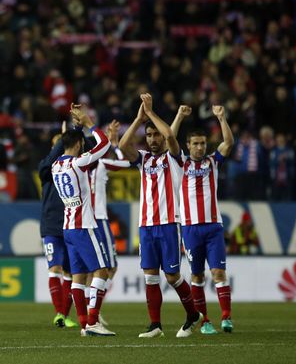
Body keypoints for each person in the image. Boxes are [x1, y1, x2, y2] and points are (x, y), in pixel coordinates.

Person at [118, 93, 201, 338]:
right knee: (150, 276)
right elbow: (122, 146)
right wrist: (138, 118)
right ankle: (155, 325)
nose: (153, 139)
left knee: (173, 275)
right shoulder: (143, 159)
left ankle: (192, 314)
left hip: (168, 224)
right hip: (146, 225)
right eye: (149, 135)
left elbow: (171, 136)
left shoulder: (174, 157)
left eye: (156, 135)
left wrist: (152, 112)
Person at [170, 104, 235, 334]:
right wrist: (179, 116)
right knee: (196, 275)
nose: (199, 147)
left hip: (213, 227)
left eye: (202, 143)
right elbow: (170, 137)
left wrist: (221, 117)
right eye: (195, 144)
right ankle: (205, 320)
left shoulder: (212, 161)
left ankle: (226, 317)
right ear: (188, 146)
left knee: (218, 273)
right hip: (189, 229)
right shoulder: (180, 163)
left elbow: (228, 143)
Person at [51, 104, 114, 336]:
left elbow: (71, 146)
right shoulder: (79, 162)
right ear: (78, 145)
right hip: (84, 226)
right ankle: (93, 321)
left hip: (67, 227)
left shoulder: (56, 166)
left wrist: (75, 127)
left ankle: (84, 325)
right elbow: (104, 144)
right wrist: (89, 124)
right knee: (102, 272)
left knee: (78, 278)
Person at [90, 120, 131, 324]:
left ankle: (91, 312)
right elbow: (125, 162)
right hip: (99, 218)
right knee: (109, 267)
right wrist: (114, 144)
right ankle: (94, 313)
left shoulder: (77, 163)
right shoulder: (101, 163)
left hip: (83, 220)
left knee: (93, 269)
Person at [38, 123, 78, 329]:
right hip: (51, 225)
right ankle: (59, 314)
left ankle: (65, 314)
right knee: (55, 267)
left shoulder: (73, 166)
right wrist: (63, 138)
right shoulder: (46, 168)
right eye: (57, 145)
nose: (61, 148)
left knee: (71, 272)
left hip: (71, 224)